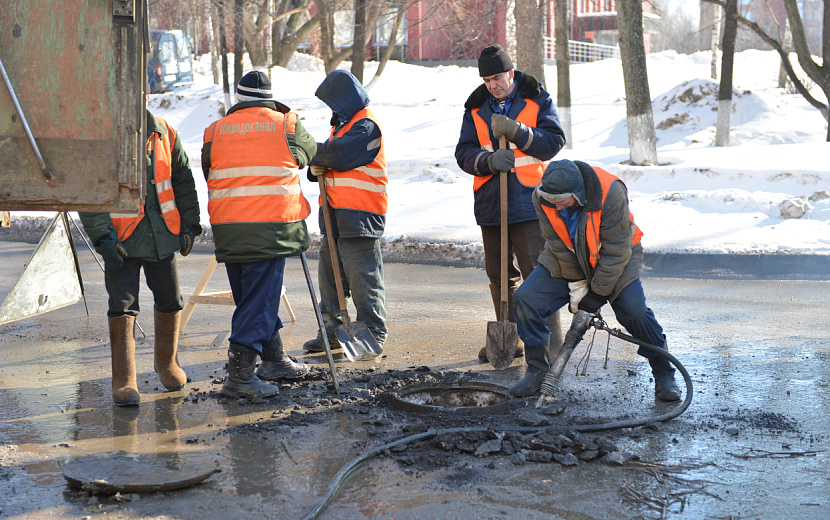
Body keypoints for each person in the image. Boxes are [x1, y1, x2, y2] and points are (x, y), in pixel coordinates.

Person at [511, 159, 682, 401]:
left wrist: (596, 296)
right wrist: (577, 283)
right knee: (526, 299)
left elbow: (615, 252)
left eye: (562, 202)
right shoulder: (542, 196)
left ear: (577, 194)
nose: (557, 208)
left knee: (634, 312)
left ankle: (664, 372)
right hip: (569, 258)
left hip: (616, 259)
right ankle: (537, 371)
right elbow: (558, 243)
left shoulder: (611, 192)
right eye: (552, 202)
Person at [201, 71, 316, 398]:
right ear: (269, 97)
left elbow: (209, 166)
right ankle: (239, 376)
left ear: (238, 99)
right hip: (271, 227)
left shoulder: (215, 130)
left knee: (251, 298)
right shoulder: (285, 124)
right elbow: (309, 154)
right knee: (260, 300)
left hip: (229, 228)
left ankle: (275, 360)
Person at [79, 110, 202, 407]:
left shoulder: (165, 133)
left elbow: (183, 182)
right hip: (121, 241)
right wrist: (102, 236)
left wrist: (189, 224)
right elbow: (89, 190)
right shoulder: (103, 135)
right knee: (122, 305)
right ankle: (124, 380)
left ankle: (167, 364)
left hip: (162, 235)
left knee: (171, 298)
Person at [455, 44, 566, 363]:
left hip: (530, 204)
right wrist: (487, 161)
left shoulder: (536, 99)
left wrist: (518, 132)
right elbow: (463, 152)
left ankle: (548, 343)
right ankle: (512, 337)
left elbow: (553, 142)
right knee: (499, 275)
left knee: (539, 273)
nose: (493, 85)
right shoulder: (476, 108)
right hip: (491, 203)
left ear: (511, 73)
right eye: (487, 79)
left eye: (498, 77)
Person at [302, 70, 388, 352]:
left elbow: (340, 154)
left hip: (361, 214)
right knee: (330, 276)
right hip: (335, 215)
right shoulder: (341, 126)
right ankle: (331, 328)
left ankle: (373, 331)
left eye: (334, 103)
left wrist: (315, 154)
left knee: (362, 278)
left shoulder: (366, 126)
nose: (332, 109)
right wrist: (316, 170)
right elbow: (332, 159)